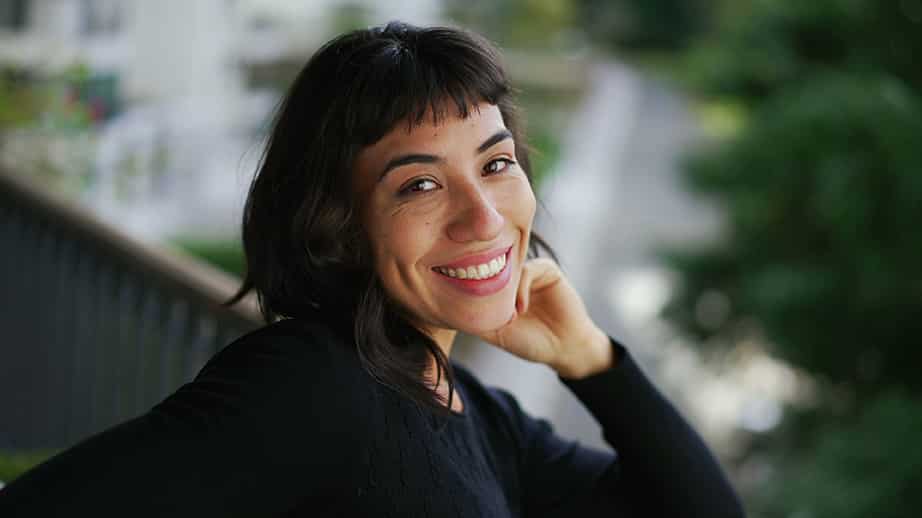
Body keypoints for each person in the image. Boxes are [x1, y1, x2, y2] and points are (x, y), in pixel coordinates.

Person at [0, 21, 745, 517]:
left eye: (496, 164)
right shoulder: (305, 384)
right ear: (339, 224)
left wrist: (593, 360)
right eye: (420, 184)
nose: (483, 217)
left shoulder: (475, 414)